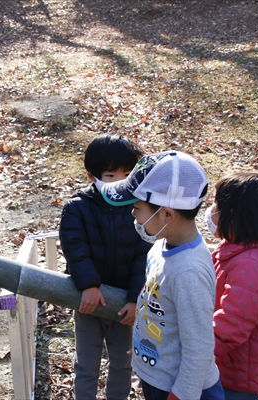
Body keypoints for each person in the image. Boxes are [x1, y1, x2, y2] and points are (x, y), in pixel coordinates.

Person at [101, 151, 224, 400]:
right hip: (158, 374)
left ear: (167, 215)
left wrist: (181, 395)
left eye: (137, 208)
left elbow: (199, 349)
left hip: (183, 388)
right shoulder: (159, 247)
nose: (133, 215)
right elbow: (156, 305)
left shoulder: (189, 272)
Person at [59, 134, 151, 400]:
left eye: (127, 174)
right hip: (89, 302)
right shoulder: (77, 208)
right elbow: (75, 250)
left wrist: (135, 298)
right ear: (93, 176)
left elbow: (143, 256)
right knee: (87, 364)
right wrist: (89, 285)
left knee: (123, 363)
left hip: (124, 303)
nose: (120, 182)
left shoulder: (139, 208)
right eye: (111, 175)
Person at [206, 172, 258, 400]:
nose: (211, 211)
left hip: (238, 371)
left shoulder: (251, 264)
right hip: (229, 364)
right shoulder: (235, 250)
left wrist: (196, 352)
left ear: (238, 216)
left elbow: (232, 323)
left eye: (217, 205)